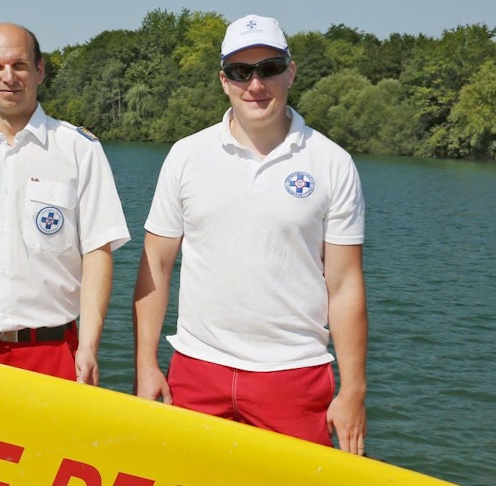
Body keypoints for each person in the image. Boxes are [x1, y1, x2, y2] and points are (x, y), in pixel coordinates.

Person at [132, 14, 368, 455]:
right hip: (197, 370)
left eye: (269, 68)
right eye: (241, 72)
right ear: (224, 81)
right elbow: (156, 265)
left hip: (294, 377)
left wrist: (353, 389)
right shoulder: (186, 156)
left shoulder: (333, 163)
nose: (255, 84)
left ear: (290, 72)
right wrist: (146, 364)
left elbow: (346, 284)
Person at [0, 23, 130, 384]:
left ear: (39, 70)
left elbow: (98, 253)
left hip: (50, 355)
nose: (8, 77)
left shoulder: (79, 150)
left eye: (19, 65)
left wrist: (89, 346)